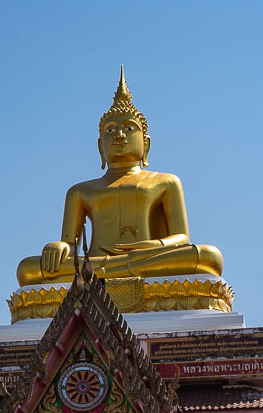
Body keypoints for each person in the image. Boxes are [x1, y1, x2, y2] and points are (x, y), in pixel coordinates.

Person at [16, 70, 224, 287]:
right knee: (27, 269)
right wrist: (59, 247)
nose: (119, 135)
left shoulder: (166, 182)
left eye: (129, 128)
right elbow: (71, 245)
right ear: (100, 147)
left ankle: (113, 270)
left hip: (147, 257)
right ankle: (119, 268)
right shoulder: (80, 191)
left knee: (209, 257)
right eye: (111, 130)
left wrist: (153, 246)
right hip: (96, 262)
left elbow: (181, 238)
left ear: (146, 144)